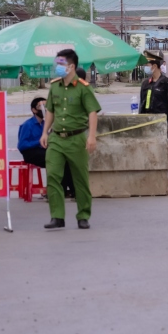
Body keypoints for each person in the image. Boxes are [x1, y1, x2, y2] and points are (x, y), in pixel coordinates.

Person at [41, 48, 100, 230]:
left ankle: (83, 215)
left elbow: (92, 112)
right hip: (57, 138)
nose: (57, 67)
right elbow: (50, 111)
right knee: (52, 176)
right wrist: (45, 132)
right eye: (57, 64)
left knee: (80, 179)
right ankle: (57, 216)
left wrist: (91, 136)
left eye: (61, 64)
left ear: (71, 66)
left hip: (77, 138)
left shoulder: (83, 87)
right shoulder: (55, 86)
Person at [137, 52, 168, 191]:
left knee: (167, 150)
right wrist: (140, 120)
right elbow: (142, 104)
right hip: (148, 121)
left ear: (154, 66)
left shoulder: (167, 83)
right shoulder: (145, 84)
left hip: (162, 122)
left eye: (148, 65)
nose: (147, 68)